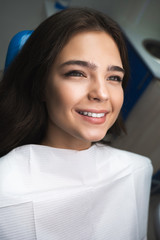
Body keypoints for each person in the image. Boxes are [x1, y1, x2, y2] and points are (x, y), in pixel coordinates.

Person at [0, 7, 152, 240]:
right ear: (40, 84)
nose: (102, 94)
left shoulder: (137, 171)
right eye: (77, 73)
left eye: (114, 78)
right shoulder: (5, 190)